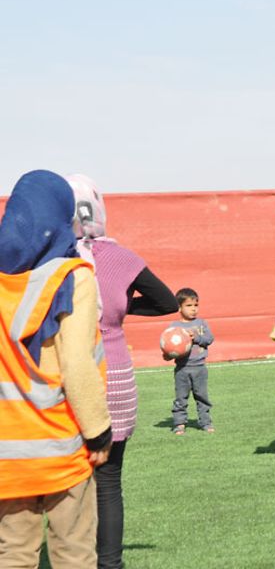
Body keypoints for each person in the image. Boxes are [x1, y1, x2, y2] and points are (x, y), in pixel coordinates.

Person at [0, 170, 113, 568]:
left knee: (13, 555)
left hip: (7, 451)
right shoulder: (73, 277)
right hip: (62, 442)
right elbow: (77, 364)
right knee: (74, 553)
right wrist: (98, 431)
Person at [68, 173, 179, 569]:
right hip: (115, 377)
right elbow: (166, 300)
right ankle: (110, 564)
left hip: (69, 376)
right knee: (109, 482)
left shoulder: (56, 258)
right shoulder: (123, 257)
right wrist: (121, 309)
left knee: (68, 484)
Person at [166, 287, 216, 434]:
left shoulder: (201, 324)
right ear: (179, 307)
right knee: (181, 398)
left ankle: (205, 422)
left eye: (196, 305)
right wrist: (168, 355)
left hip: (200, 368)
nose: (193, 309)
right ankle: (179, 423)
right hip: (182, 369)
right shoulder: (174, 327)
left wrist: (197, 338)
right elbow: (169, 347)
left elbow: (209, 339)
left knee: (202, 397)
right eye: (189, 305)